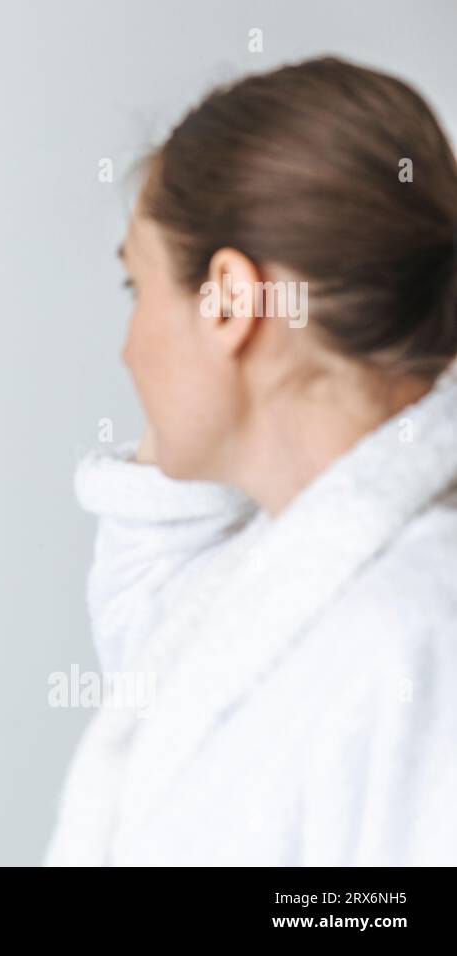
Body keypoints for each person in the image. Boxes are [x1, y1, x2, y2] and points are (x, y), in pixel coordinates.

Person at [46, 57, 457, 865]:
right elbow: (150, 619)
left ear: (230, 300)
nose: (128, 348)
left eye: (138, 290)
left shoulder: (415, 631)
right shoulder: (285, 582)